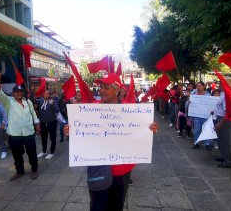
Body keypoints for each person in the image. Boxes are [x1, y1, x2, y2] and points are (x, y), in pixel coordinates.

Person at [63, 73, 159, 211]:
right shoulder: (90, 109)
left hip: (122, 170)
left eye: (106, 87)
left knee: (116, 206)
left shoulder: (131, 109)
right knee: (98, 206)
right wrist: (70, 131)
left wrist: (151, 128)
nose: (101, 90)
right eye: (100, 87)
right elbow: (82, 133)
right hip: (98, 168)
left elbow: (141, 129)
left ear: (117, 89)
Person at [0, 70, 40, 181]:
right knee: (17, 155)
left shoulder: (28, 102)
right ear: (13, 94)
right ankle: (19, 171)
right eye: (17, 92)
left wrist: (37, 124)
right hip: (15, 134)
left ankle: (34, 170)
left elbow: (33, 113)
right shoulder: (8, 101)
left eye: (21, 92)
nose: (19, 93)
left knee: (32, 153)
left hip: (29, 132)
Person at [212, 88, 231, 168]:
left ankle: (228, 161)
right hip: (219, 118)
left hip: (223, 120)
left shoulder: (226, 96)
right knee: (220, 140)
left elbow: (227, 112)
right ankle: (223, 156)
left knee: (224, 140)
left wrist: (221, 123)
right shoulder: (222, 94)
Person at [36, 90, 60, 160]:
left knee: (53, 138)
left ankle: (51, 152)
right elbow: (34, 101)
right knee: (43, 138)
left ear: (49, 95)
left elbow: (57, 110)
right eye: (44, 93)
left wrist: (52, 104)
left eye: (47, 93)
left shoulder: (53, 101)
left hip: (51, 123)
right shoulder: (40, 101)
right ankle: (44, 151)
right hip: (43, 123)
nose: (45, 94)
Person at [191, 81, 212, 150]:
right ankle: (196, 143)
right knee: (197, 130)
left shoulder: (208, 95)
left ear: (204, 86)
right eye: (197, 86)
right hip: (197, 115)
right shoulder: (194, 94)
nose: (198, 87)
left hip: (205, 115)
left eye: (200, 86)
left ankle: (207, 143)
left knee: (206, 129)